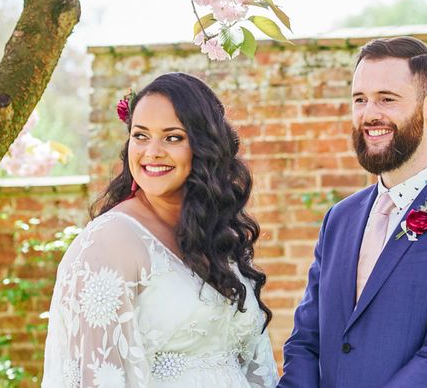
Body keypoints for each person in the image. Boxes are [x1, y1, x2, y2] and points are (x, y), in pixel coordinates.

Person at [279, 36, 427, 388]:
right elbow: (305, 340)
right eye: (360, 100)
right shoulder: (339, 219)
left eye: (387, 99)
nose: (369, 114)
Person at [42, 72, 277, 387]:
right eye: (140, 135)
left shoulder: (216, 237)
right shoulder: (110, 243)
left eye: (173, 137)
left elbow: (251, 363)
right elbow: (97, 378)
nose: (151, 151)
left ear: (204, 147)